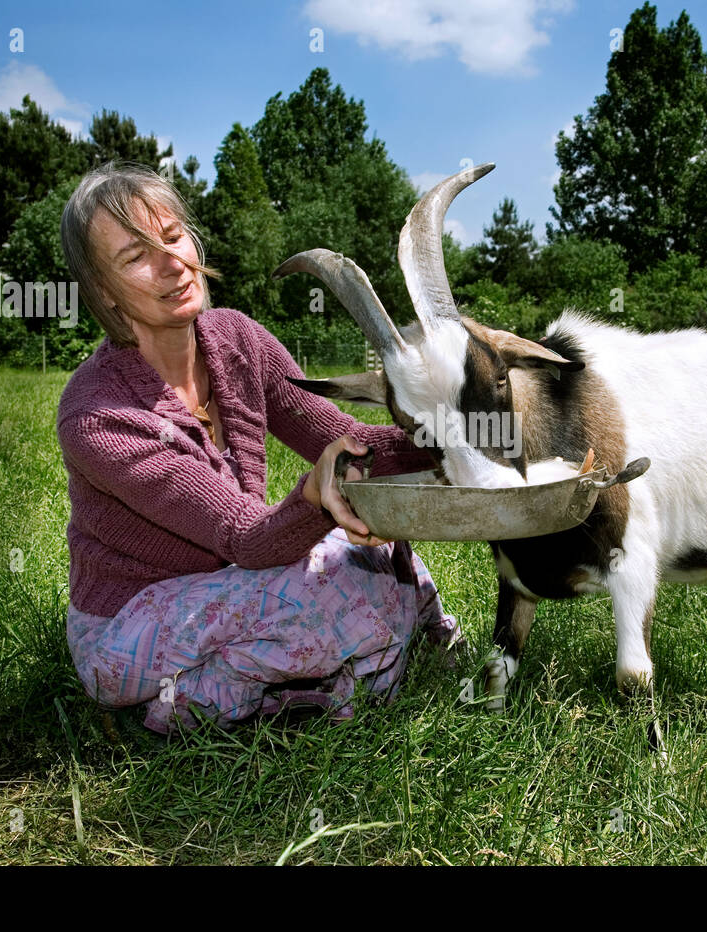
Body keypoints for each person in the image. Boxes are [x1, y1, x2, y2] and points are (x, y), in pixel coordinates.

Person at [55, 161, 459, 735]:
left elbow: (353, 443)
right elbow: (246, 537)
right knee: (329, 586)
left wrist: (459, 436)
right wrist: (318, 496)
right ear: (103, 292)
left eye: (174, 237)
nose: (173, 263)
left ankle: (284, 684)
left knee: (377, 555)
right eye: (136, 256)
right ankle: (183, 703)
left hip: (237, 577)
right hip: (129, 621)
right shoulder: (98, 416)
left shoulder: (237, 340)